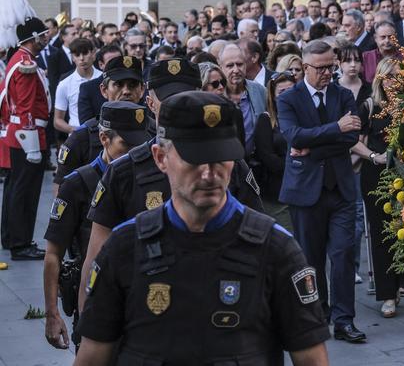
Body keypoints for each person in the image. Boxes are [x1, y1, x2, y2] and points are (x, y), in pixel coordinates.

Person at [73, 91, 329, 365]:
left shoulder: (276, 250)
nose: (210, 174)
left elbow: (311, 358)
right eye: (194, 160)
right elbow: (92, 357)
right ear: (160, 158)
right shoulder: (125, 248)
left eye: (221, 158)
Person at [79, 59, 264, 307]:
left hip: (219, 300)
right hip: (145, 304)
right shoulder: (124, 171)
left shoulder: (229, 164)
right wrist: (90, 330)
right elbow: (96, 259)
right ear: (150, 101)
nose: (177, 106)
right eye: (168, 98)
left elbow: (257, 238)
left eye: (184, 96)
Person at [277, 40, 366, 343]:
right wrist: (334, 129)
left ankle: (344, 320)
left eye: (332, 65)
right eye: (322, 68)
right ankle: (318, 316)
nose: (329, 72)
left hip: (340, 188)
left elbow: (352, 135)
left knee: (342, 256)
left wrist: (312, 145)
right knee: (310, 259)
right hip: (305, 191)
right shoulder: (289, 99)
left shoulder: (343, 95)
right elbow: (292, 135)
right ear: (304, 68)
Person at [43, 101, 150, 351]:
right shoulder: (77, 184)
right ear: (104, 138)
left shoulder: (150, 180)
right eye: (126, 145)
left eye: (140, 145)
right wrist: (51, 314)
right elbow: (53, 254)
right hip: (94, 299)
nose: (134, 153)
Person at [352, 57, 404, 317]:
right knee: (382, 234)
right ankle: (387, 294)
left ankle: (400, 283)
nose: (394, 83)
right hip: (375, 175)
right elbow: (354, 142)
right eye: (389, 78)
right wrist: (375, 156)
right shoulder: (369, 106)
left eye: (399, 77)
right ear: (380, 80)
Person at [55, 55, 145, 194]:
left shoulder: (154, 132)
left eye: (132, 85)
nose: (126, 91)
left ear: (142, 90)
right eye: (118, 84)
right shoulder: (82, 137)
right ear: (104, 90)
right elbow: (63, 189)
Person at [0, 17, 51, 260]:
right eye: (43, 35)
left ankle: (11, 237)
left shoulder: (19, 58)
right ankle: (21, 243)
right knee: (25, 191)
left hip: (20, 133)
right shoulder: (25, 63)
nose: (46, 38)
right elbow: (26, 106)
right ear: (32, 37)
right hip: (28, 134)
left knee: (15, 188)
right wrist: (32, 145)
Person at [336, 44, 371, 285]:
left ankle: (354, 267)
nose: (352, 65)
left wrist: (358, 157)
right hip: (338, 159)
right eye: (347, 60)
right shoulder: (333, 90)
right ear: (338, 63)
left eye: (356, 60)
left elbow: (367, 130)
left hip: (361, 161)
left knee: (358, 216)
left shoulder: (368, 90)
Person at [253, 71, 297, 234]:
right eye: (282, 92)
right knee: (288, 237)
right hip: (278, 192)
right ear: (273, 95)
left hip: (304, 189)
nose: (288, 96)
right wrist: (297, 165)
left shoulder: (303, 116)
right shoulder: (266, 120)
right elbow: (267, 157)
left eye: (292, 91)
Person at [220, 44, 268, 154]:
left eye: (239, 64)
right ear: (221, 67)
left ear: (245, 65)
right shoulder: (216, 95)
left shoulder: (260, 91)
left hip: (257, 161)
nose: (236, 70)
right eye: (230, 66)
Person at [53, 38, 99, 135]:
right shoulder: (65, 84)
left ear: (93, 53)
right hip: (77, 138)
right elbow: (57, 120)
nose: (82, 58)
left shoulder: (103, 78)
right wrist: (74, 130)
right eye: (77, 55)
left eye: (85, 53)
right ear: (73, 58)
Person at [76, 45, 124, 124]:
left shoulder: (132, 85)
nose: (116, 65)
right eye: (111, 62)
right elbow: (86, 123)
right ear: (101, 64)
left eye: (119, 61)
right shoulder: (88, 88)